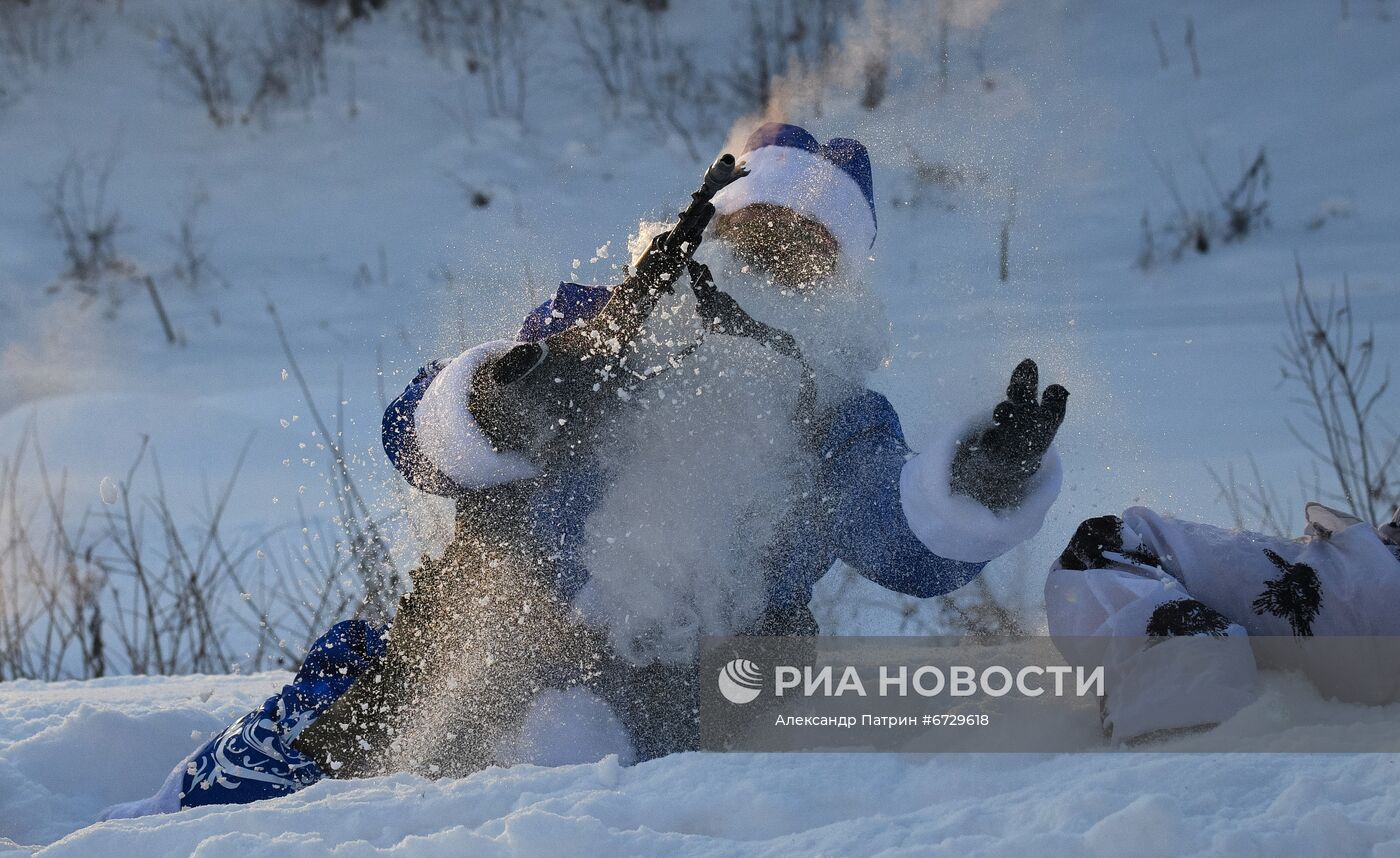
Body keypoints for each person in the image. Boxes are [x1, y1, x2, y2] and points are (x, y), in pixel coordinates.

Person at [105, 122, 1069, 817]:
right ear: (713, 233)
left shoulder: (837, 415)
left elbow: (901, 535)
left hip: (703, 700)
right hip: (493, 644)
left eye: (805, 254)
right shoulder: (594, 323)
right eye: (756, 235)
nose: (773, 266)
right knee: (262, 801)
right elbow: (414, 440)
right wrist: (526, 389)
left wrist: (980, 486)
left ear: (838, 285)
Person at [1045, 502, 1400, 742]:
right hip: (1366, 590)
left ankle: (1179, 719)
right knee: (1123, 546)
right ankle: (1178, 700)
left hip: (1367, 592)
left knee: (1105, 545)